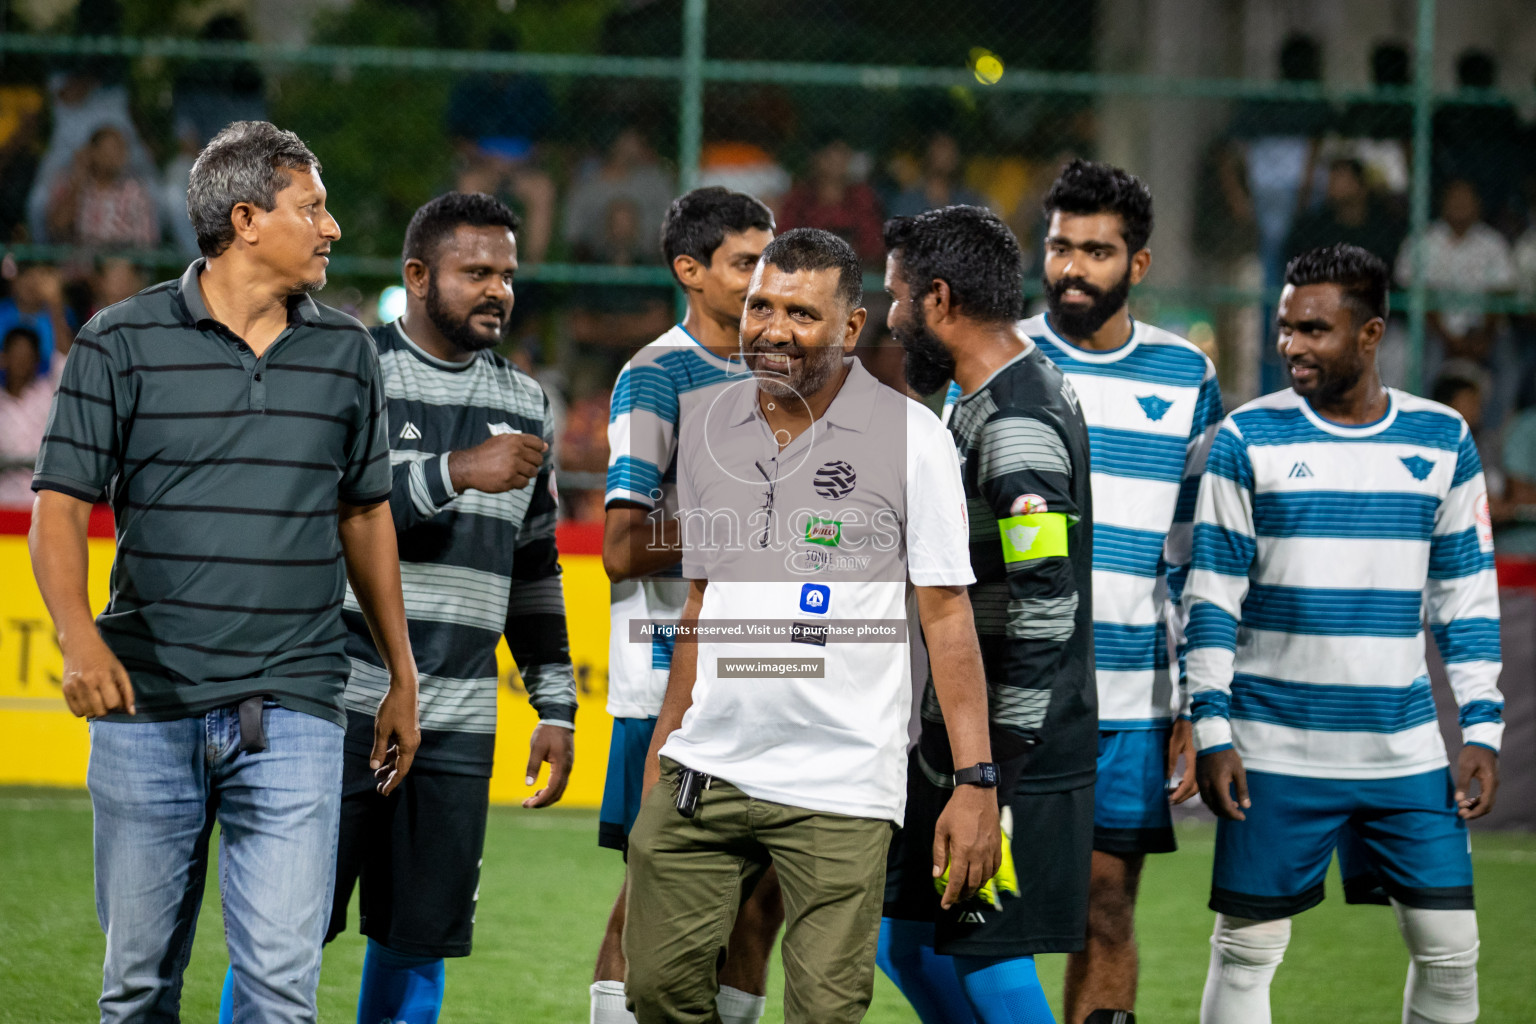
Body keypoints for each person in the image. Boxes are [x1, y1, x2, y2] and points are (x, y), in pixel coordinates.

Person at [27, 120, 420, 1022]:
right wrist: (80, 640)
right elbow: (60, 505)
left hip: (296, 706)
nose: (332, 228)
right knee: (136, 991)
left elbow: (364, 515)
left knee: (282, 993)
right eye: (312, 208)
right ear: (246, 218)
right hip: (145, 709)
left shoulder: (348, 352)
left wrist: (400, 676)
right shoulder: (117, 341)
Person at [623, 228, 1001, 1024]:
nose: (772, 328)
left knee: (826, 1014)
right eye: (761, 306)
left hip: (842, 784)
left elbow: (946, 613)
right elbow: (702, 603)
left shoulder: (914, 439)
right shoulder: (708, 424)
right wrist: (666, 742)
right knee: (657, 993)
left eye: (800, 313)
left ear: (851, 328)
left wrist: (975, 781)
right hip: (707, 767)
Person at [215, 191, 577, 1023]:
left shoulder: (527, 403)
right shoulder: (350, 368)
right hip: (331, 709)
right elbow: (311, 511)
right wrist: (455, 471)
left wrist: (554, 704)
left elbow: (534, 568)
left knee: (417, 942)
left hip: (458, 720)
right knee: (287, 931)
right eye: (476, 272)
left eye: (508, 275)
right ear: (418, 276)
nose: (498, 290)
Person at [1186, 244, 1503, 1024]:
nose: (1291, 345)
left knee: (1452, 951)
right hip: (1273, 750)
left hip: (1405, 753)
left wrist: (1484, 726)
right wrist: (1212, 727)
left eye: (1314, 330)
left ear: (1371, 335)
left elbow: (1464, 597)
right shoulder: (1244, 439)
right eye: (1286, 327)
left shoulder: (1441, 440)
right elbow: (1211, 599)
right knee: (1247, 951)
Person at [1008, 161, 1223, 1024]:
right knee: (983, 915)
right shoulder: (1003, 359)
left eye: (1096, 251)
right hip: (1009, 696)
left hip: (1130, 699)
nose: (1071, 268)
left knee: (1105, 910)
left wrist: (1196, 700)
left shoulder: (1186, 378)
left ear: (1137, 265)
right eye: (1060, 246)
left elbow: (1193, 557)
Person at [881, 205, 1098, 1024]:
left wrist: (989, 771)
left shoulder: (1013, 421)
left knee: (986, 948)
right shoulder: (990, 396)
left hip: (1012, 750)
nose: (893, 318)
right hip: (964, 741)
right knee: (902, 941)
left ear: (938, 299)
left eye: (899, 298)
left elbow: (1046, 602)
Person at [593, 186, 782, 1024]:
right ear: (690, 270)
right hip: (668, 680)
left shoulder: (784, 373)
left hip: (768, 676)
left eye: (770, 261)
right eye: (747, 263)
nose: (765, 279)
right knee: (656, 898)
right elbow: (622, 549)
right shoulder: (655, 375)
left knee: (762, 901)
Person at [45, 124, 160, 248]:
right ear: (93, 152)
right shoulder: (69, 184)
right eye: (112, 149)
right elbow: (57, 227)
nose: (119, 156)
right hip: (80, 261)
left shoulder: (134, 191)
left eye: (122, 149)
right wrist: (78, 182)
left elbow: (145, 242)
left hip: (120, 260)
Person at [778, 138, 886, 265]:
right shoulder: (799, 198)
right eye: (829, 156)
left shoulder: (863, 196)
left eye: (842, 155)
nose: (836, 162)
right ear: (816, 158)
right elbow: (785, 241)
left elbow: (874, 243)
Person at [1283, 158, 1406, 269]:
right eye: (1331, 178)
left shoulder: (1384, 224)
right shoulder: (1313, 226)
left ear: (1361, 186)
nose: (1331, 185)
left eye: (1340, 178)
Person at [0, 325, 67, 504]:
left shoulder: (48, 396)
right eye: (16, 354)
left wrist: (55, 304)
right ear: (3, 358)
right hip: (4, 506)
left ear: (37, 360)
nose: (21, 361)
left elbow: (65, 362)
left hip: (41, 505)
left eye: (27, 356)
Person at [888, 133, 988, 219]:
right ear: (928, 154)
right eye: (941, 148)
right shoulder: (909, 201)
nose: (946, 156)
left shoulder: (968, 200)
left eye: (951, 150)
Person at [0, 260, 75, 372]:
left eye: (37, 279)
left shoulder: (60, 312)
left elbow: (67, 357)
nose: (31, 285)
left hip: (49, 384)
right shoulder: (2, 310)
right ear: (15, 282)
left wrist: (55, 306)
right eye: (25, 277)